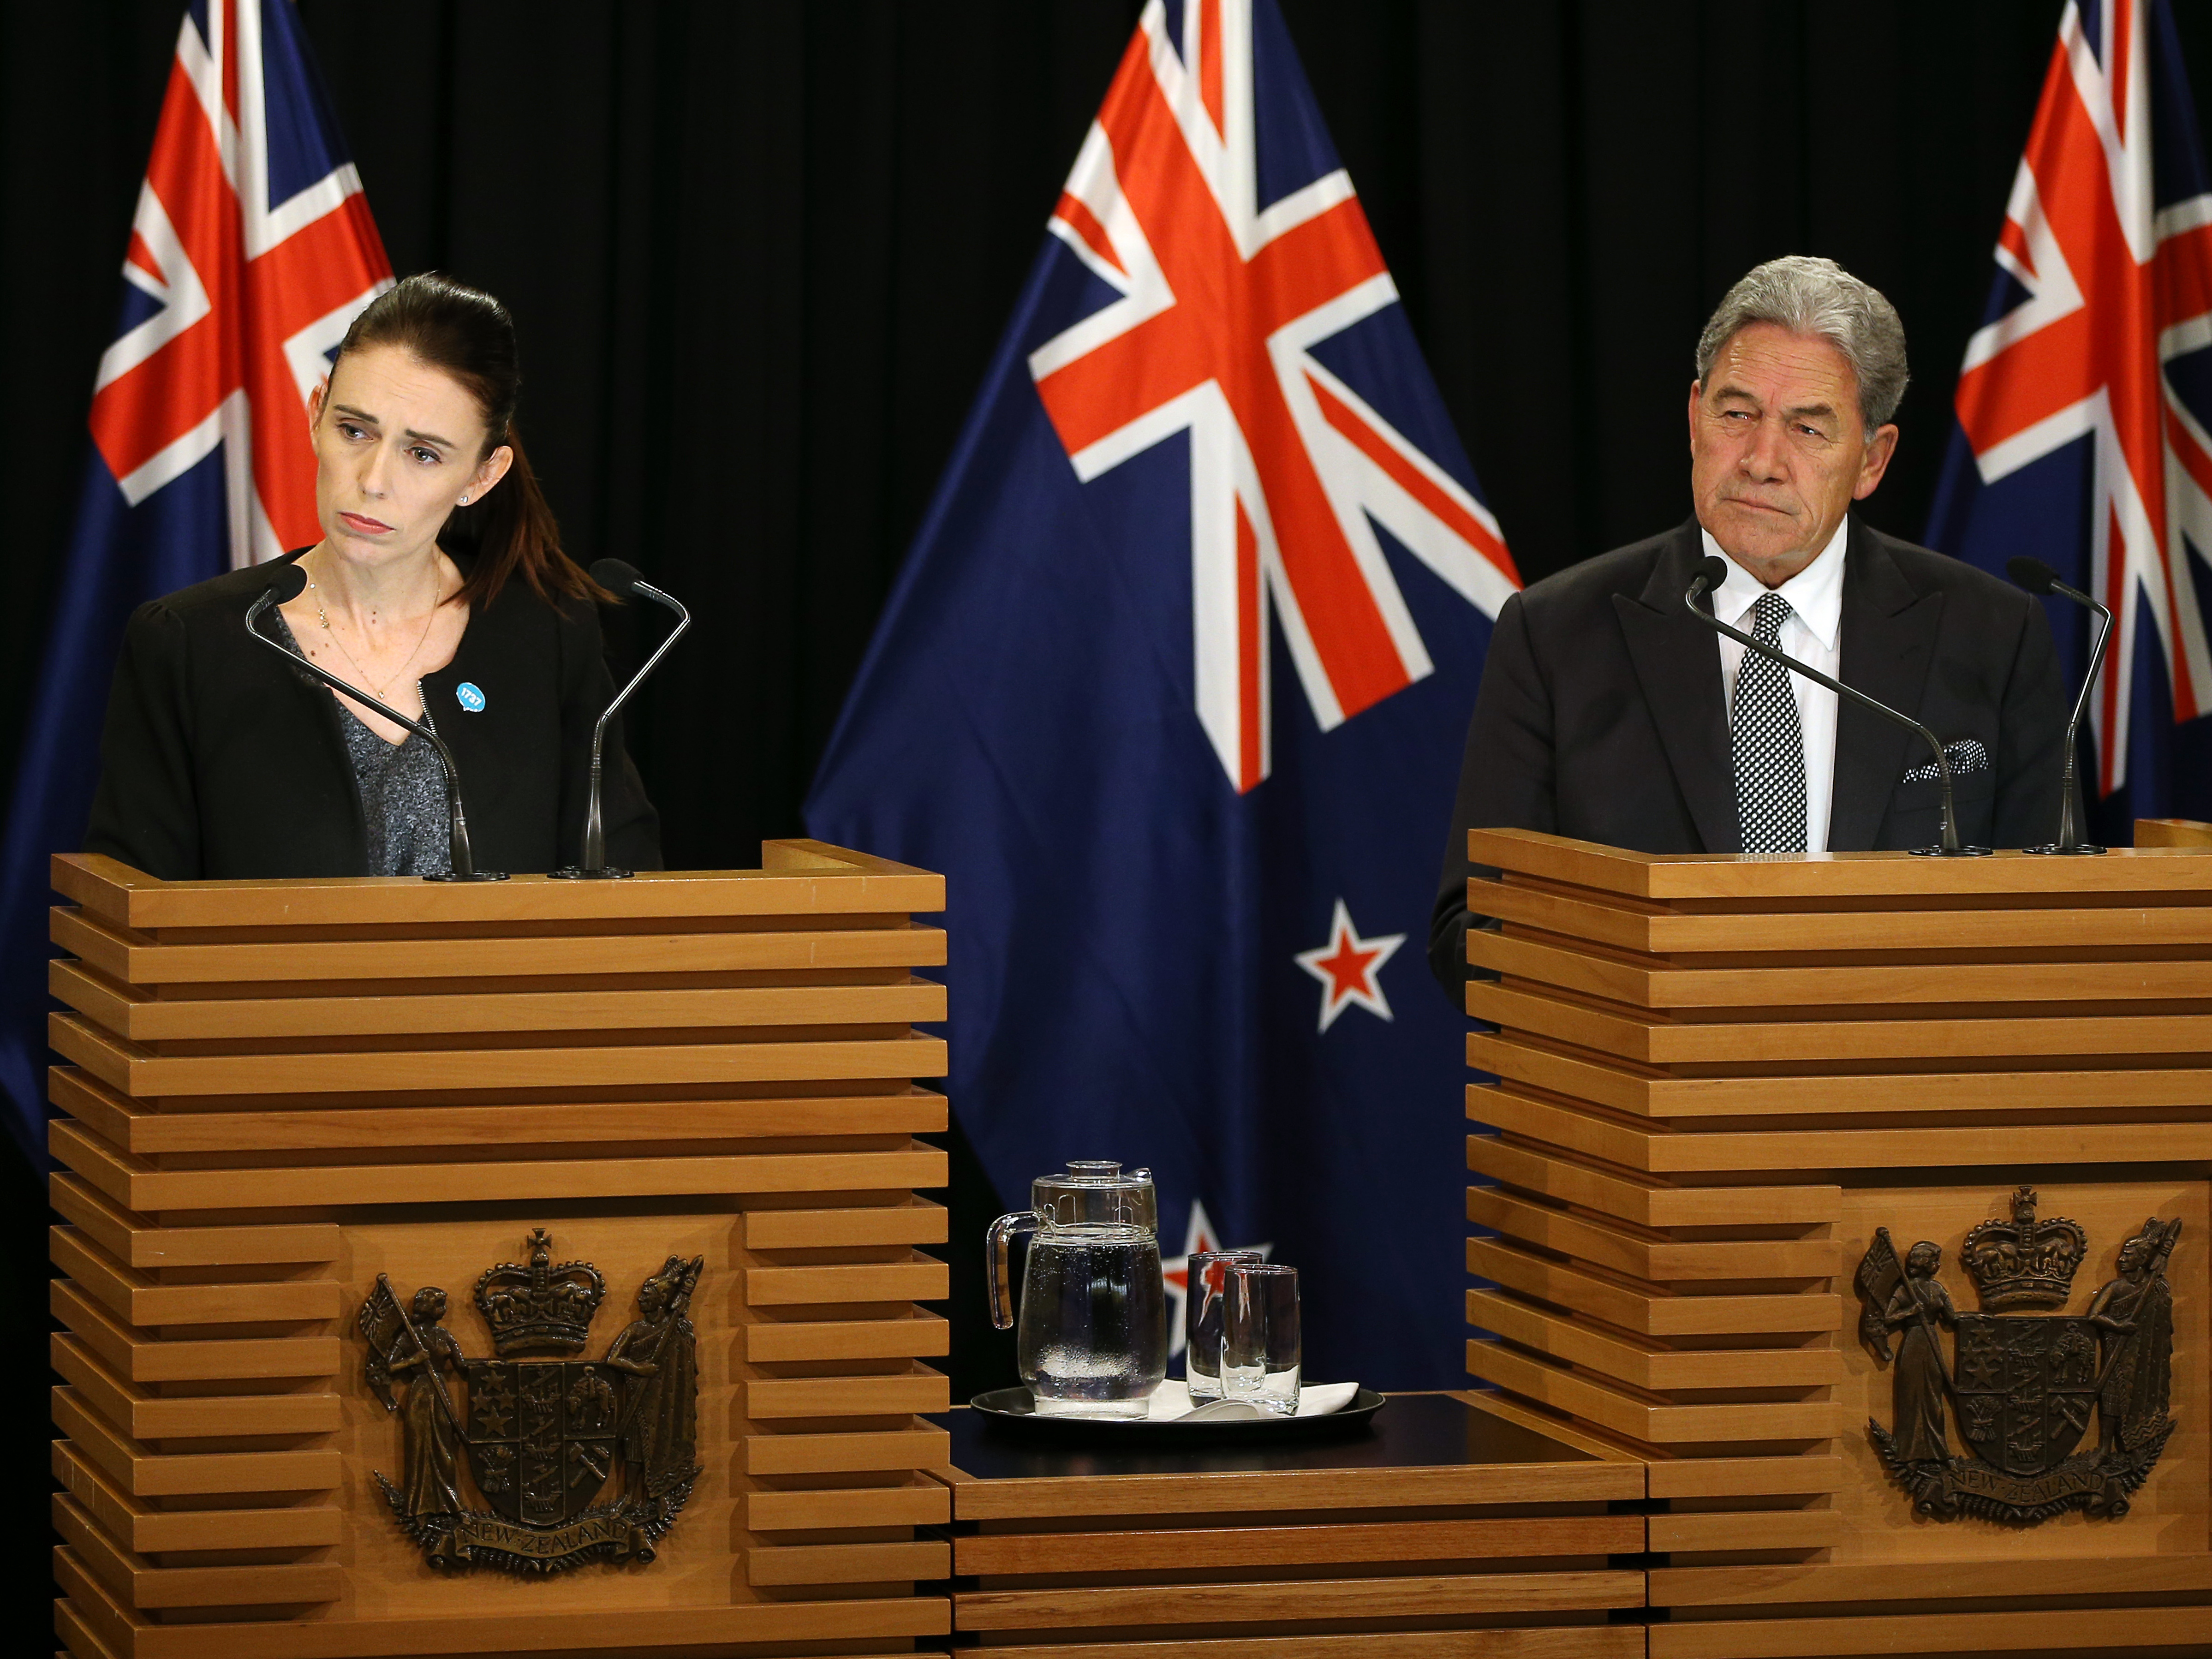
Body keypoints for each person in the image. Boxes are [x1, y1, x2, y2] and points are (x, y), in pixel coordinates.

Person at [1430, 256, 2063, 993]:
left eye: (1807, 428)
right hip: (1647, 1093)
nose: (1763, 460)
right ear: (1694, 418)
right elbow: (1470, 931)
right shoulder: (1555, 636)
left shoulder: (1991, 636)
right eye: (1737, 414)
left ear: (1872, 460)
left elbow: (2048, 923)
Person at [85, 273, 659, 879]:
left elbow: (625, 893)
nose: (374, 479)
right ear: (315, 417)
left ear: (482, 478)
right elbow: (130, 918)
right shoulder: (190, 644)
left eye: (423, 453)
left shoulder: (549, 640)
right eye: (355, 431)